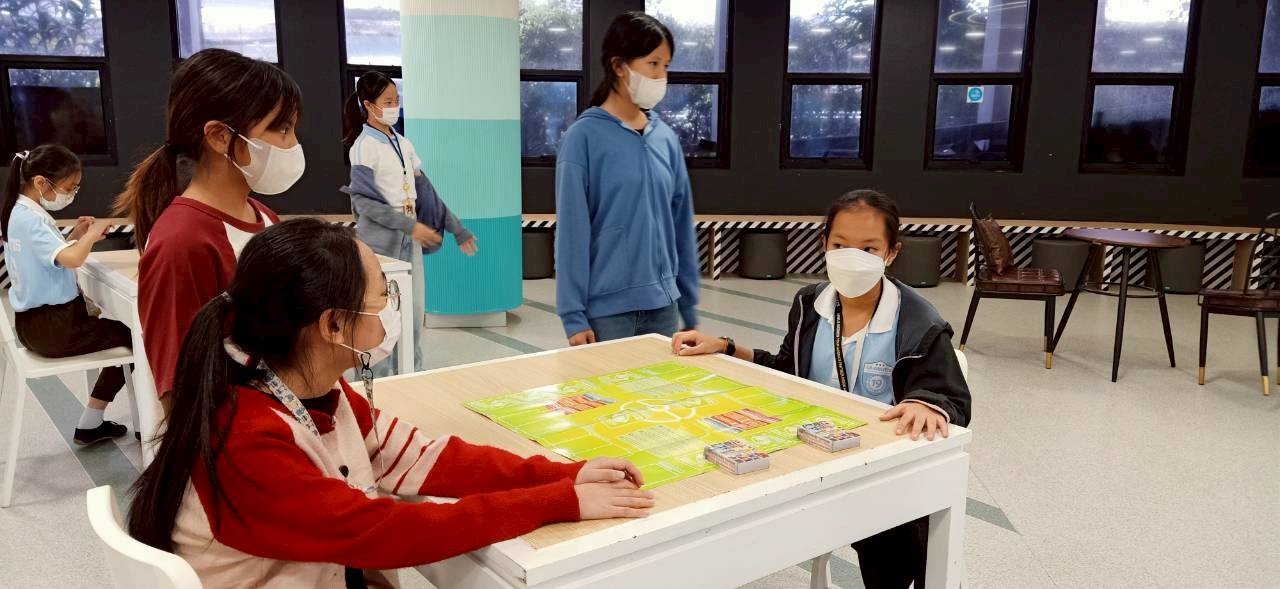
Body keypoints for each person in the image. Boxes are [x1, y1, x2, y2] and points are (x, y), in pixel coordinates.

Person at [126, 219, 653, 587]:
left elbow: (428, 457)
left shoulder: (316, 392)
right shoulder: (245, 438)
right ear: (333, 325)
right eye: (382, 296)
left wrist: (563, 475)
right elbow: (386, 531)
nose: (389, 310)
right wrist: (557, 502)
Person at [671, 190, 972, 589]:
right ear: (824, 244)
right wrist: (726, 346)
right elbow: (788, 370)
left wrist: (927, 403)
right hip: (810, 453)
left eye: (869, 248)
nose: (852, 257)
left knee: (892, 548)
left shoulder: (920, 321)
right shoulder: (810, 304)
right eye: (840, 246)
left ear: (891, 253)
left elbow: (951, 397)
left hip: (879, 472)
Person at [114, 48, 301, 403]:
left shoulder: (264, 217)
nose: (292, 145)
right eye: (281, 129)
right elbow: (179, 387)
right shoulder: (181, 242)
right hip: (233, 429)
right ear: (219, 136)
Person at [555, 11, 699, 346]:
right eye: (653, 64)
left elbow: (680, 223)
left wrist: (688, 303)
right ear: (619, 66)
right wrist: (573, 316)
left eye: (666, 66)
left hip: (664, 306)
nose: (661, 75)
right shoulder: (583, 138)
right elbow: (573, 232)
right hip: (606, 313)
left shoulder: (665, 138)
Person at [341, 71, 477, 376]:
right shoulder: (363, 146)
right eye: (387, 101)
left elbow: (426, 193)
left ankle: (410, 377)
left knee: (412, 319)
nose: (394, 106)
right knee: (380, 321)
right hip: (379, 246)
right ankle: (377, 386)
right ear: (368, 105)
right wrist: (409, 225)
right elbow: (363, 203)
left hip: (408, 242)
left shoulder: (403, 143)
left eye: (396, 100)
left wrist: (457, 228)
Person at [1, 145, 130, 445]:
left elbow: (51, 256)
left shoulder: (18, 212)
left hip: (33, 326)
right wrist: (90, 237)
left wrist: (75, 236)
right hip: (57, 328)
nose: (72, 194)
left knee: (123, 333)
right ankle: (96, 421)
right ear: (40, 182)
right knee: (135, 335)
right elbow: (71, 260)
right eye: (69, 188)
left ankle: (93, 421)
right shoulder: (31, 219)